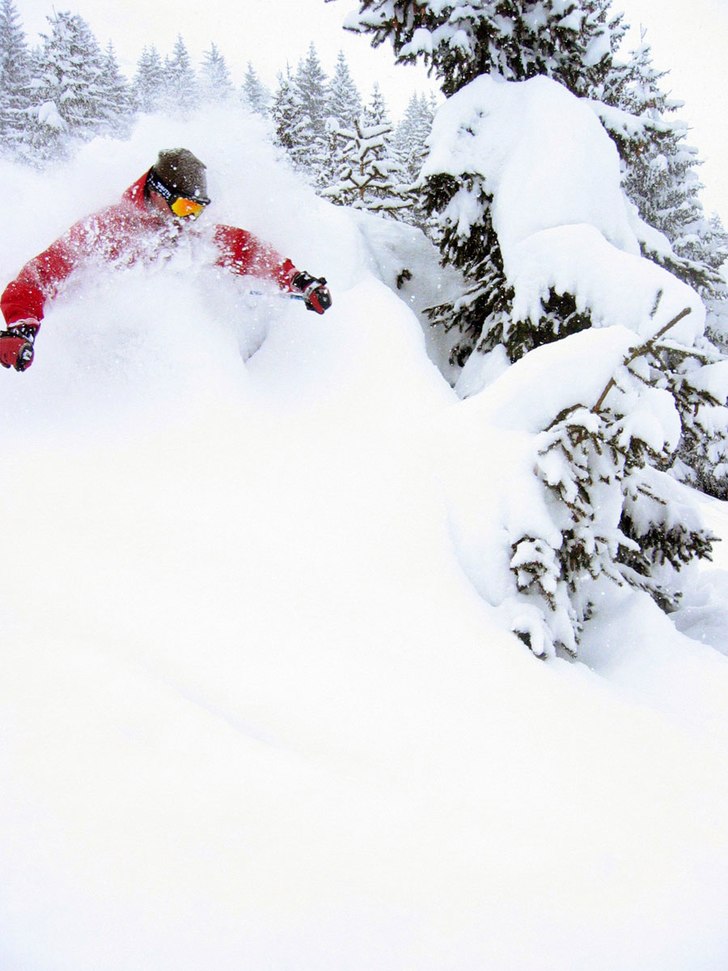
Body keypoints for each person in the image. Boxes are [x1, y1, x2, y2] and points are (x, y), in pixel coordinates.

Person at [0, 148, 332, 372]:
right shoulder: (104, 229)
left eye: (198, 209)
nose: (190, 218)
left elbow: (247, 250)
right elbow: (39, 276)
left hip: (182, 366)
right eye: (184, 207)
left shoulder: (191, 233)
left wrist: (299, 281)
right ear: (157, 192)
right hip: (113, 369)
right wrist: (22, 328)